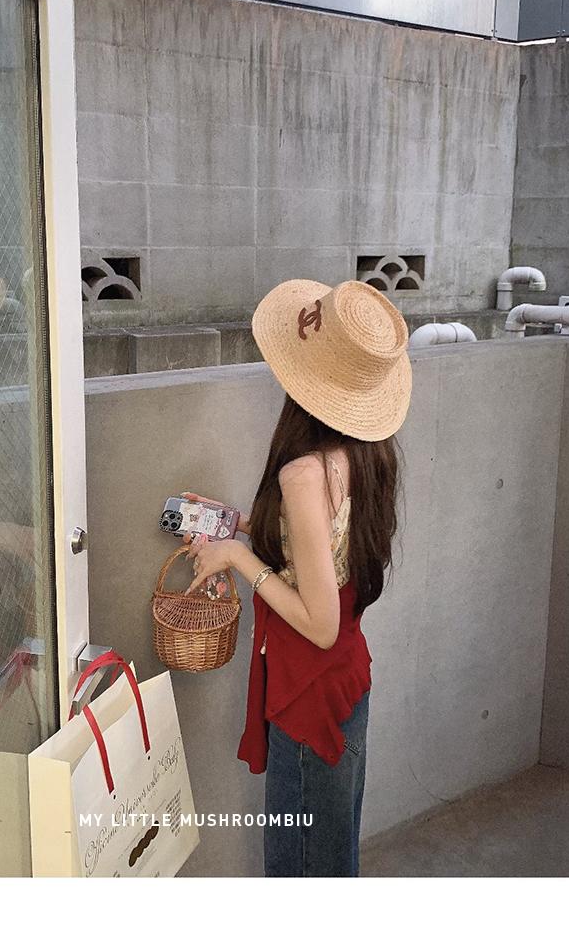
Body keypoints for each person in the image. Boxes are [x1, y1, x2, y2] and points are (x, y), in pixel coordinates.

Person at [182, 277, 412, 877]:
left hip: (309, 695)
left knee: (301, 870)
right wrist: (237, 523)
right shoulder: (367, 453)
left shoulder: (303, 475)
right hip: (345, 684)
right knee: (333, 859)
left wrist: (238, 558)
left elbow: (319, 623)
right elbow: (323, 544)